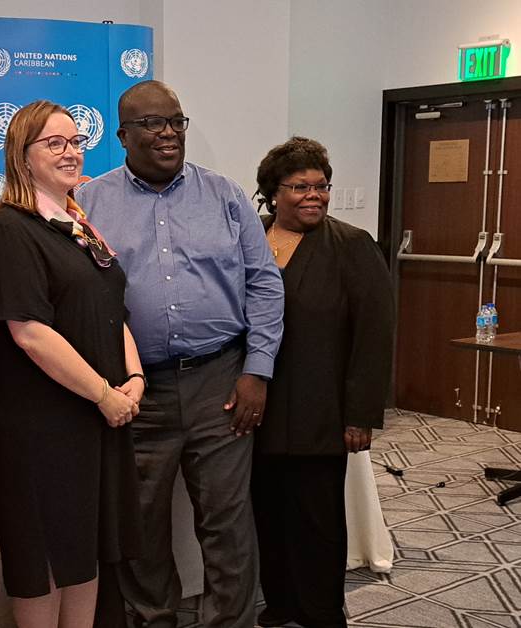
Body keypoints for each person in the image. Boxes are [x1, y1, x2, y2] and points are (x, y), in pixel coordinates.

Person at [76, 80, 285, 628]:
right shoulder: (90, 203)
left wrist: (257, 371)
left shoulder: (226, 196)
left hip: (222, 381)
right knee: (141, 523)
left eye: (176, 121)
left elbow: (264, 284)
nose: (167, 133)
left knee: (227, 521)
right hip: (137, 391)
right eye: (151, 124)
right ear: (122, 135)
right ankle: (154, 620)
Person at [0, 100, 143, 628]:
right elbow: (29, 332)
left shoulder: (78, 225)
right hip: (46, 425)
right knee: (45, 558)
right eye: (54, 143)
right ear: (21, 157)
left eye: (75, 142)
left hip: (97, 417)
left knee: (84, 552)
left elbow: (110, 311)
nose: (70, 152)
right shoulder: (12, 230)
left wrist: (135, 377)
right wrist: (104, 393)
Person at [251, 137, 393, 628]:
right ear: (272, 192)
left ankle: (321, 611)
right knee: (268, 513)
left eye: (321, 186)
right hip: (258, 410)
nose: (314, 195)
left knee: (318, 520)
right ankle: (282, 603)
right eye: (300, 187)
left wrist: (360, 414)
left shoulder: (351, 245)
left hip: (321, 410)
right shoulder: (253, 238)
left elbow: (375, 334)